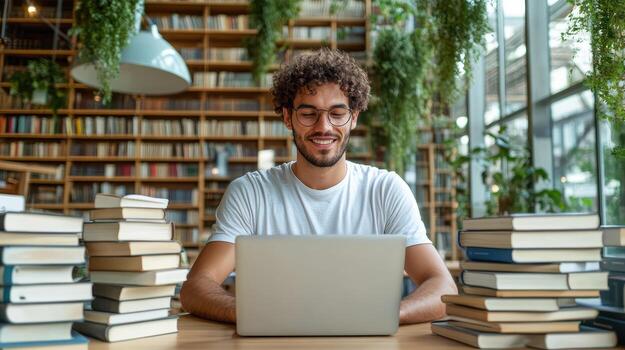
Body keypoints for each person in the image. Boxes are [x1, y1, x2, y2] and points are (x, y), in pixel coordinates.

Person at [180, 48, 457, 325]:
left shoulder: (386, 190)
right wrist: (250, 315)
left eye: (337, 113)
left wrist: (384, 317)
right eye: (308, 113)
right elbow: (196, 286)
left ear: (354, 117)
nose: (324, 126)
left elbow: (443, 287)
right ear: (288, 117)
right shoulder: (250, 193)